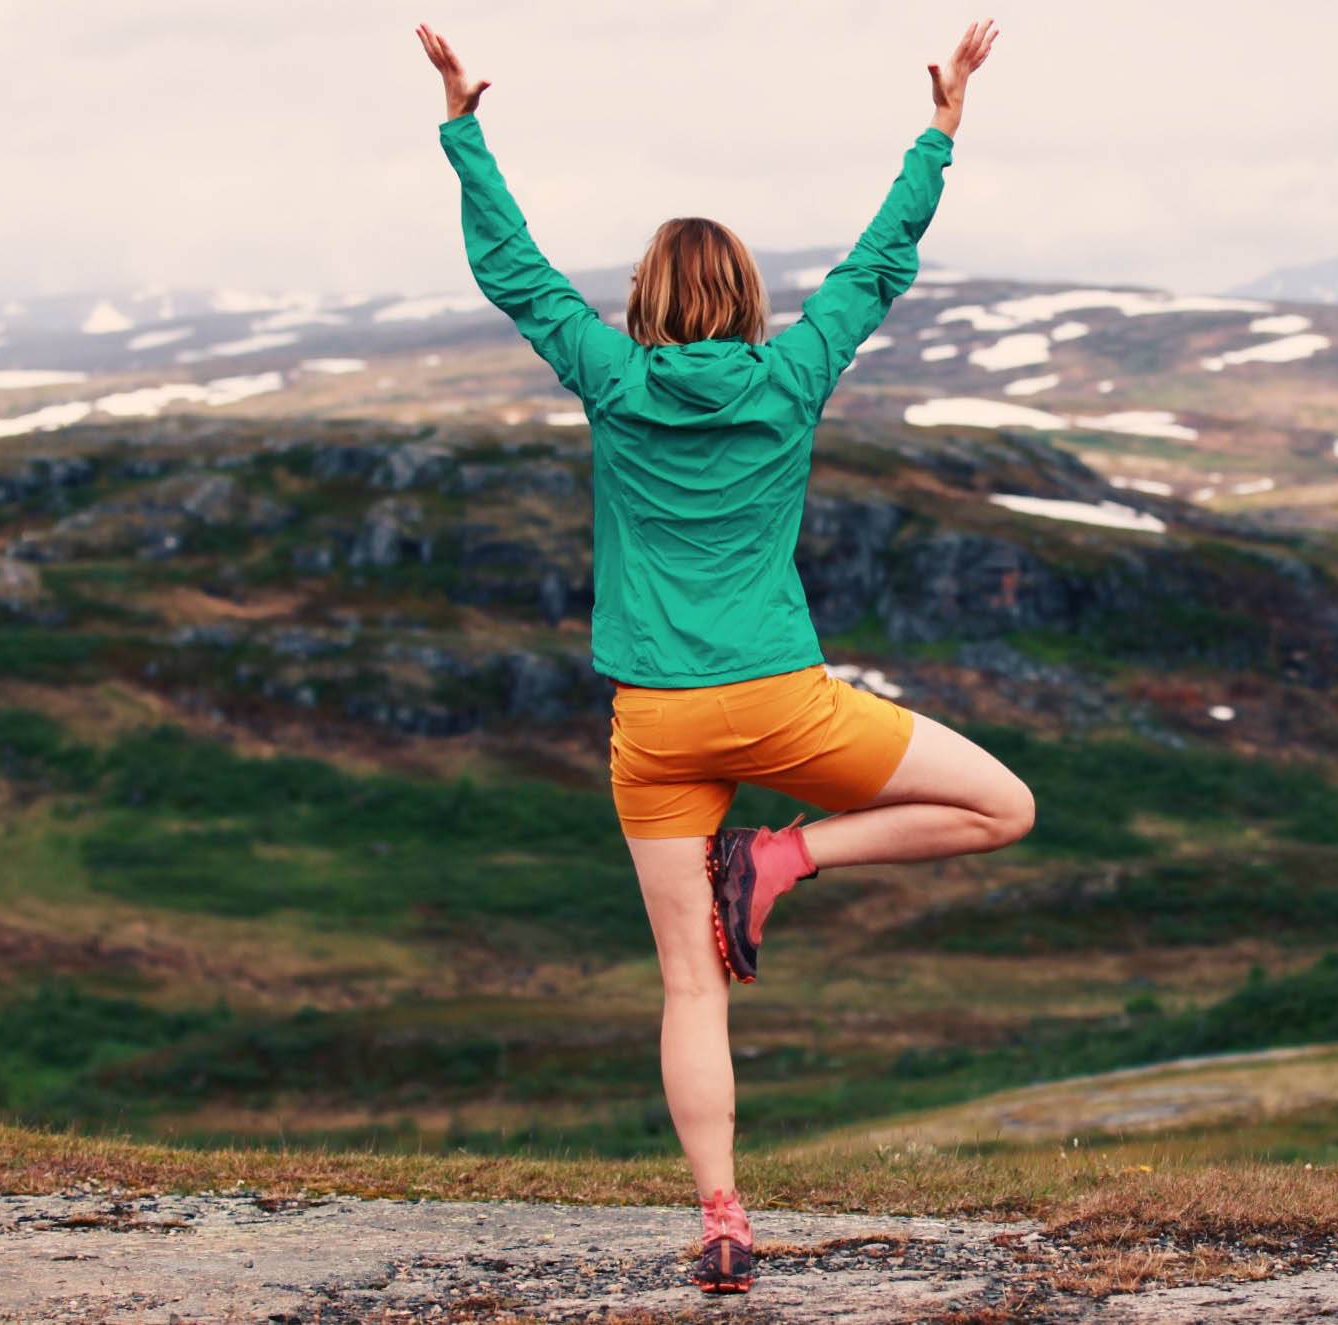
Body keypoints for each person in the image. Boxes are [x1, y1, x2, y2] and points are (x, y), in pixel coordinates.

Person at [418, 18, 1028, 1296]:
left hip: (657, 728)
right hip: (787, 707)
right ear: (747, 297)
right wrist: (940, 131)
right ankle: (787, 855)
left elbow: (518, 275)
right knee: (999, 804)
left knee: (693, 988)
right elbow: (877, 264)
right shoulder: (793, 372)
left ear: (644, 300)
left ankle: (724, 1218)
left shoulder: (610, 378)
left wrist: (466, 129)